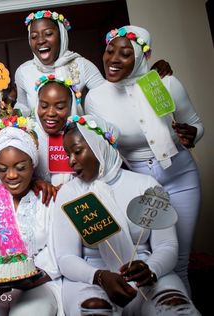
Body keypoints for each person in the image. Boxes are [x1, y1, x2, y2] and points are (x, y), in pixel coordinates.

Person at [84, 25, 203, 293]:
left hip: (181, 178)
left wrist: (192, 135)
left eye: (125, 54)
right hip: (141, 186)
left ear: (140, 57)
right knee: (152, 256)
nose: (113, 59)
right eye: (109, 50)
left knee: (180, 261)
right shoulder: (96, 98)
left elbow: (196, 124)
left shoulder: (166, 83)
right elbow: (101, 147)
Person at [50, 115, 200, 315]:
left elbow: (167, 245)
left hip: (147, 272)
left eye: (77, 152)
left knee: (174, 306)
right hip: (91, 278)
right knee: (95, 310)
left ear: (100, 145)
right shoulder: (69, 193)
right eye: (68, 154)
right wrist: (100, 276)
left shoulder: (146, 185)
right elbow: (66, 257)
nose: (71, 161)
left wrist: (151, 269)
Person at [14, 10, 172, 116]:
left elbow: (111, 95)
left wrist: (147, 76)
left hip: (77, 143)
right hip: (40, 146)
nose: (41, 40)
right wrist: (13, 112)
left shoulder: (82, 65)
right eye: (34, 36)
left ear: (61, 35)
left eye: (48, 33)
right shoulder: (23, 71)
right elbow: (22, 104)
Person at [0, 126, 63, 316]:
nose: (12, 175)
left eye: (21, 167)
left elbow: (57, 253)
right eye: (3, 169)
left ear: (33, 165)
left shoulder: (48, 199)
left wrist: (28, 278)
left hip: (39, 284)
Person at [33, 74, 80, 187]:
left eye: (59, 107)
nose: (50, 113)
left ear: (72, 108)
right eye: (44, 106)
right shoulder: (28, 137)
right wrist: (34, 182)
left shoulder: (82, 138)